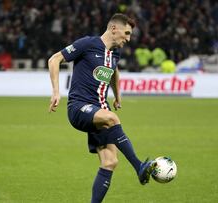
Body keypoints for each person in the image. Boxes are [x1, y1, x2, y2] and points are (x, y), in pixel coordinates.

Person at [48, 13, 156, 203]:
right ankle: (139, 166)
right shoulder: (88, 44)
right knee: (112, 119)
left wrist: (118, 95)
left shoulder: (115, 52)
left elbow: (114, 71)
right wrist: (56, 92)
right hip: (79, 107)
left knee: (110, 162)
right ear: (114, 29)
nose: (128, 39)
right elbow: (54, 59)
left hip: (99, 110)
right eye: (127, 33)